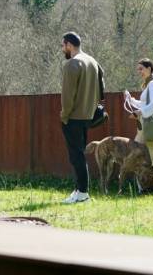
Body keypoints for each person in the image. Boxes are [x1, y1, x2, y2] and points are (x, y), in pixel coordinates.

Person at [59, 32, 104, 204]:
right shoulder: (92, 61)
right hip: (88, 115)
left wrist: (64, 115)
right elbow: (102, 86)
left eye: (63, 46)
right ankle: (79, 190)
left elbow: (67, 96)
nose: (63, 49)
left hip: (73, 117)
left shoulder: (72, 64)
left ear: (69, 45)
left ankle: (83, 193)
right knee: (80, 154)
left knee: (76, 156)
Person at [124, 58, 153, 186]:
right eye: (138, 69)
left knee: (138, 153)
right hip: (144, 123)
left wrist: (140, 112)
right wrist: (131, 100)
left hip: (147, 124)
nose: (139, 72)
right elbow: (145, 103)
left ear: (149, 68)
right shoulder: (148, 84)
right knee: (148, 154)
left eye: (141, 69)